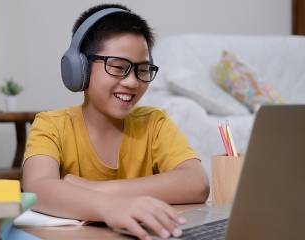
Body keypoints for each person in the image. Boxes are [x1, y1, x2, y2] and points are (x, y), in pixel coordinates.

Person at [22, 3, 209, 240]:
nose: (132, 82)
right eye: (118, 67)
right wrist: (109, 207)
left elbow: (196, 183)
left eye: (142, 70)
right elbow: (37, 187)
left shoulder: (154, 123)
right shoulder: (52, 125)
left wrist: (98, 190)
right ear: (80, 68)